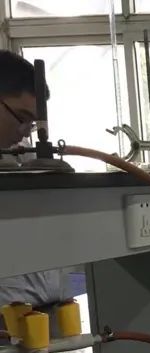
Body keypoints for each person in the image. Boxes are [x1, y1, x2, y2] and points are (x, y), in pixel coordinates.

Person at [0, 50, 67, 312]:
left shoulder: (22, 157)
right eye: (22, 117)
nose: (24, 131)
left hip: (44, 308)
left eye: (31, 123)